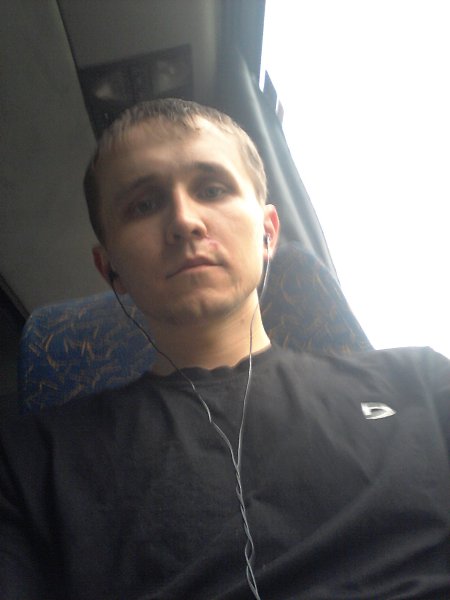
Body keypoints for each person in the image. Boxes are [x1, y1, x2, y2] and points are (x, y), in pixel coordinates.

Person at [0, 98, 449, 600]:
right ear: (111, 271)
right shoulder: (29, 462)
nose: (184, 221)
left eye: (212, 189)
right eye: (143, 205)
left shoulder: (421, 382)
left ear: (268, 232)